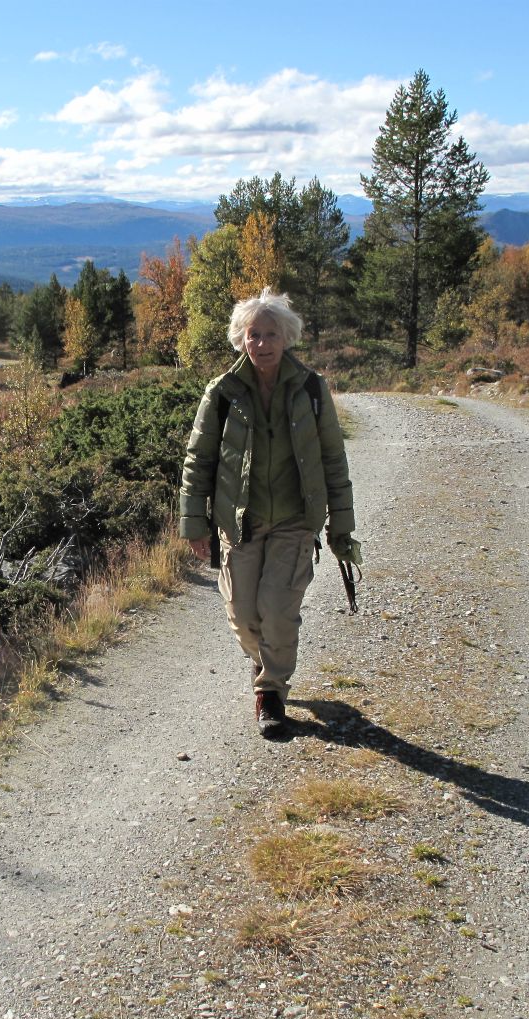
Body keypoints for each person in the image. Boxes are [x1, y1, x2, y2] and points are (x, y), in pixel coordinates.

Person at [177, 288, 357, 739]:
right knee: (241, 613)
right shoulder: (222, 392)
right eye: (253, 334)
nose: (262, 343)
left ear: (287, 337)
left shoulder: (311, 389)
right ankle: (264, 660)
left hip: (296, 521)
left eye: (271, 333)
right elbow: (197, 461)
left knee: (277, 611)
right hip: (239, 523)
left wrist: (341, 524)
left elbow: (333, 460)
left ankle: (270, 691)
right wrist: (194, 524)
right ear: (241, 339)